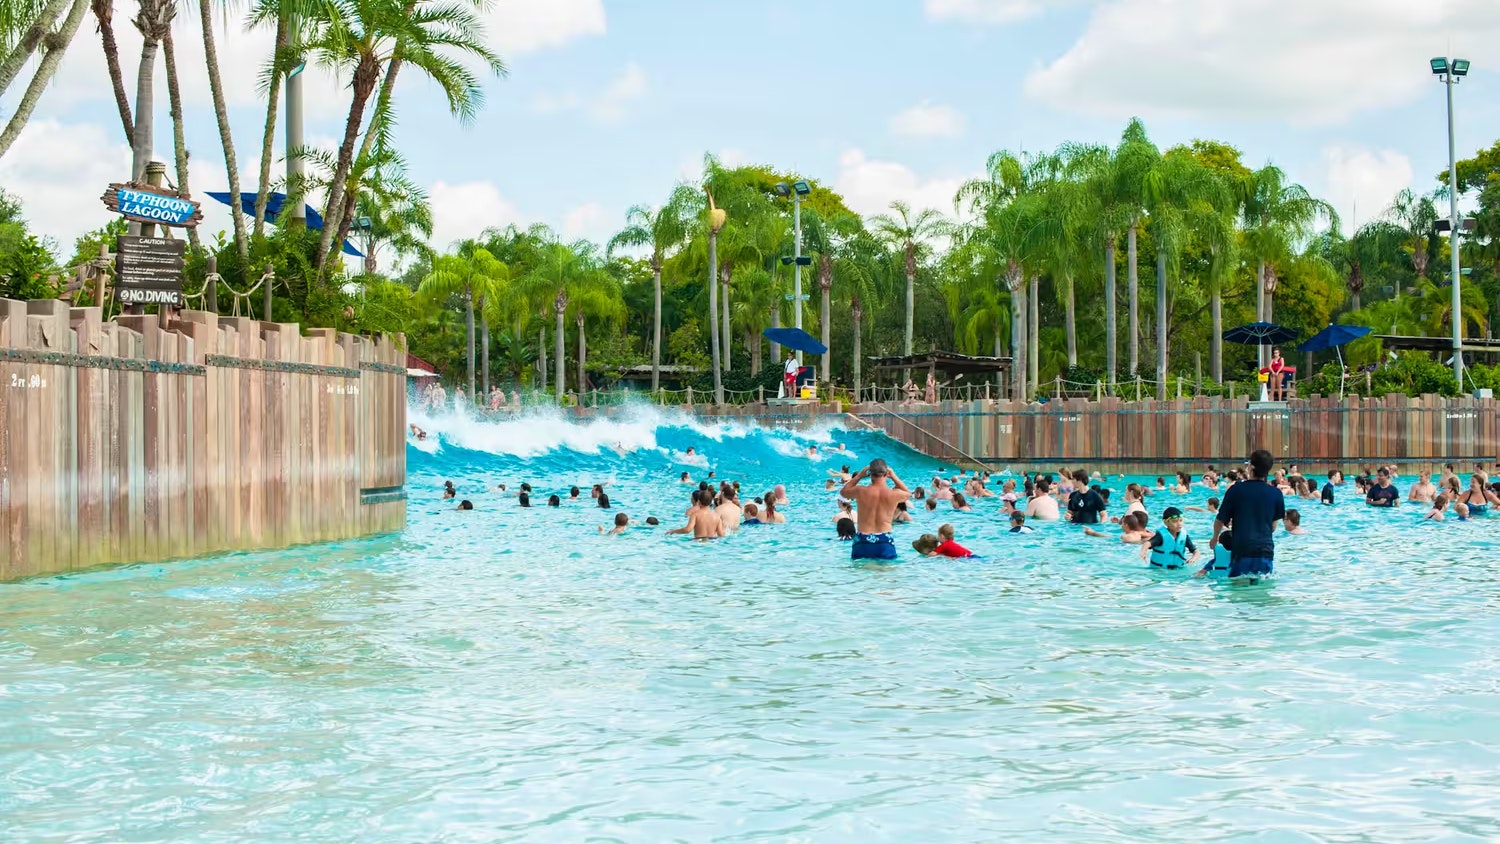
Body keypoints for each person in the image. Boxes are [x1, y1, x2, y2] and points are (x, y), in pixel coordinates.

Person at [1211, 449, 1285, 582]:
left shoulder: (1236, 490)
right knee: (1262, 591)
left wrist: (1215, 537)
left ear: (1251, 467)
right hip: (1265, 550)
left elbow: (1220, 520)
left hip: (1242, 549)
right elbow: (1273, 527)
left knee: (1238, 593)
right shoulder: (1276, 494)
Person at [840, 459, 912, 561]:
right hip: (884, 540)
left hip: (862, 539)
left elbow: (843, 492)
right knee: (885, 576)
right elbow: (908, 493)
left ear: (869, 473)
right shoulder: (894, 494)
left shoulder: (860, 491)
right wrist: (894, 476)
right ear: (886, 473)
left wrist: (859, 476)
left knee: (860, 575)